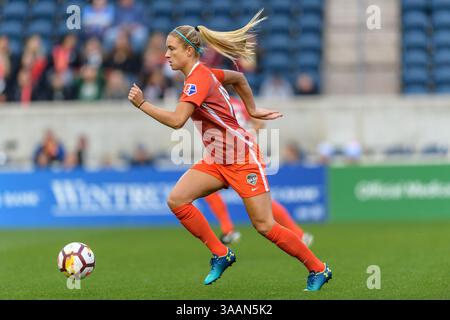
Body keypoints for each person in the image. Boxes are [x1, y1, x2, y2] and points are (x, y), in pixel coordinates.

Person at [127, 10, 332, 291]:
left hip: (242, 158)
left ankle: (319, 268)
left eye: (171, 48)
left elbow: (177, 121)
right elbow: (237, 78)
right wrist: (252, 109)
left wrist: (143, 104)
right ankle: (221, 253)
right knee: (177, 200)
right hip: (218, 159)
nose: (166, 55)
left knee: (265, 226)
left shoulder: (198, 79)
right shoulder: (203, 74)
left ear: (189, 50)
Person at [204, 96, 314, 247]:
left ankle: (229, 230)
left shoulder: (214, 102)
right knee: (211, 191)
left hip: (237, 157)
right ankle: (229, 230)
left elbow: (258, 123)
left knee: (260, 201)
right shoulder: (236, 103)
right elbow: (259, 123)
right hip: (236, 154)